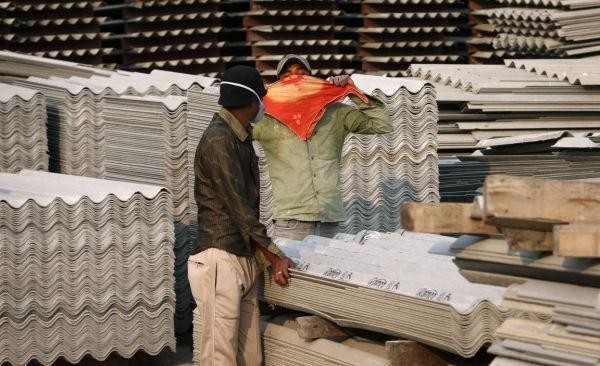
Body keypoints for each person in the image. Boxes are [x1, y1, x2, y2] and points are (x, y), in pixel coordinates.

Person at [188, 65, 294, 366]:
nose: (263, 105)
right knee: (219, 358)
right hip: (219, 261)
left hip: (242, 259)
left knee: (249, 357)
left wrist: (261, 257)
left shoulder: (240, 137)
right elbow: (238, 207)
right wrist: (274, 255)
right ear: (250, 102)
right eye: (261, 99)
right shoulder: (219, 141)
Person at [253, 54, 392, 241]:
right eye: (287, 76)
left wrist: (352, 91)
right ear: (278, 83)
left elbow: (381, 124)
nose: (296, 80)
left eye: (302, 74)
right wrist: (256, 97)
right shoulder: (266, 120)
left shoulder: (336, 113)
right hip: (291, 221)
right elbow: (235, 129)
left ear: (312, 80)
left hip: (329, 219)